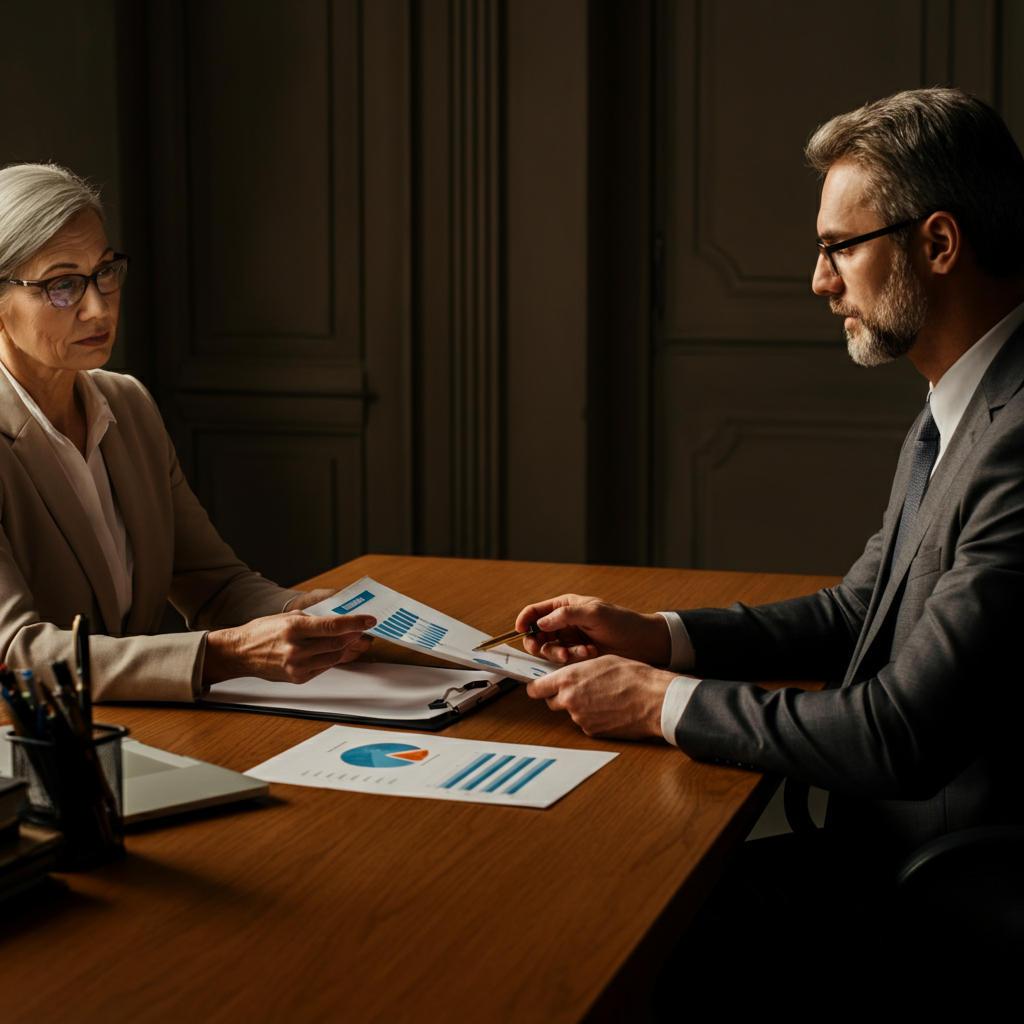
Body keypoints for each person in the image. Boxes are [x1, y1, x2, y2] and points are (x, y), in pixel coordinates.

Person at [514, 88, 1024, 1009]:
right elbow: (854, 612)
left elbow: (900, 734)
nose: (821, 281)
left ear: (939, 245)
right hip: (884, 852)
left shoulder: (1018, 434)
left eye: (840, 247)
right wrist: (657, 636)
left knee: (611, 947)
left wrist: (661, 703)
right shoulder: (959, 407)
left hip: (940, 890)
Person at [0, 163, 375, 702]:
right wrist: (222, 655)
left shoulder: (128, 405)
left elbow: (214, 583)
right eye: (63, 286)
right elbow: (18, 655)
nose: (100, 306)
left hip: (150, 731)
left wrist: (303, 612)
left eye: (106, 271)